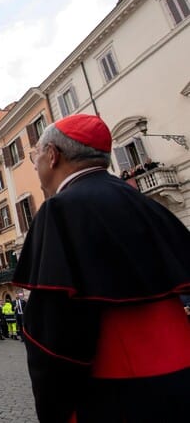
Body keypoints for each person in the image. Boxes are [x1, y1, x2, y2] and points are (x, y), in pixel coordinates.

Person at [14, 114, 190, 422]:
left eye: (36, 155)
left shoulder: (59, 209)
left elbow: (54, 332)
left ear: (53, 156)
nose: (36, 164)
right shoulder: (145, 203)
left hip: (116, 388)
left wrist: (54, 408)